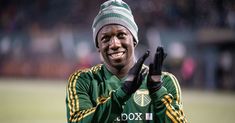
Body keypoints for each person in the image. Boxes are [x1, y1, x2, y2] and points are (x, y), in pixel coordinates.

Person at [66, 0, 188, 122]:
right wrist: (121, 95)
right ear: (98, 46)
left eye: (121, 35)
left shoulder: (165, 82)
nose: (114, 44)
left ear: (134, 39)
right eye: (105, 38)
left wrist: (157, 91)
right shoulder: (84, 81)